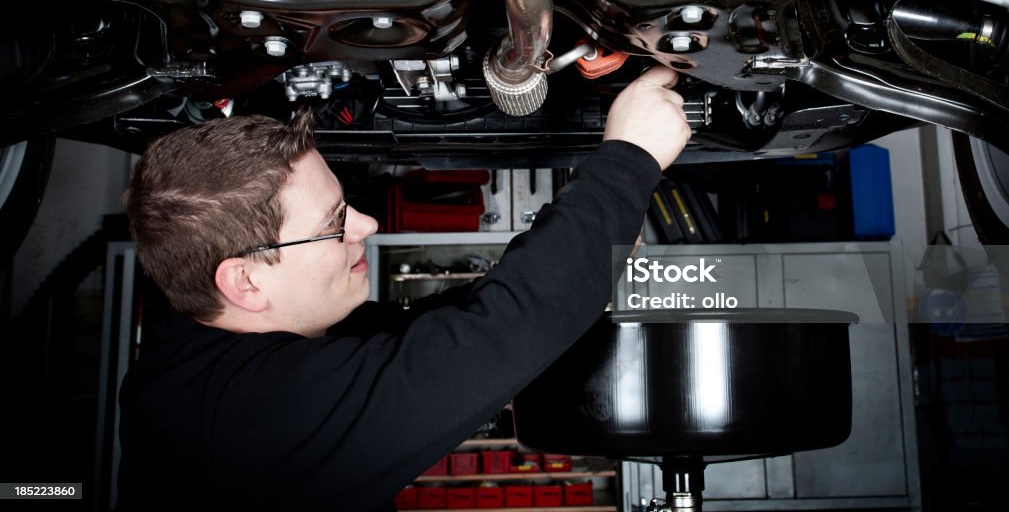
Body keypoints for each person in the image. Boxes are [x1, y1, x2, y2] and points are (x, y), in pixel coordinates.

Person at [117, 65, 690, 511]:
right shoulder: (244, 420)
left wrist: (582, 246)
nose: (365, 226)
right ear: (244, 279)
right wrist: (628, 161)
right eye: (333, 224)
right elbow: (492, 342)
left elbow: (437, 329)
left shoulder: (206, 347)